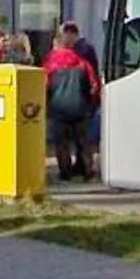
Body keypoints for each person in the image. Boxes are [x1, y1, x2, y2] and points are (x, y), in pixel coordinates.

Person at [43, 21, 102, 183]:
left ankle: (65, 172)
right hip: (80, 108)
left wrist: (46, 103)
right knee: (83, 141)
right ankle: (87, 171)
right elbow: (94, 85)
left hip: (58, 109)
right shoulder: (82, 62)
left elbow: (44, 84)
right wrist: (92, 102)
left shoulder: (51, 62)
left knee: (61, 143)